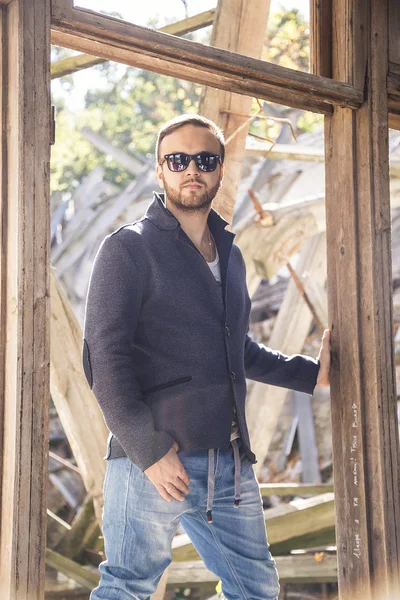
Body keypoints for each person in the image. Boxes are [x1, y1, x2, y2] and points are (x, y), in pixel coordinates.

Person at [83, 114, 331, 600]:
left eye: (205, 159)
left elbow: (235, 350)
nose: (191, 169)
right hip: (153, 463)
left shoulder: (230, 254)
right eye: (178, 159)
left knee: (256, 590)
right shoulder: (128, 249)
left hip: (231, 463)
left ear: (219, 171)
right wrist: (148, 450)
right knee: (127, 589)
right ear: (160, 171)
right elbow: (103, 360)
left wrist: (314, 375)